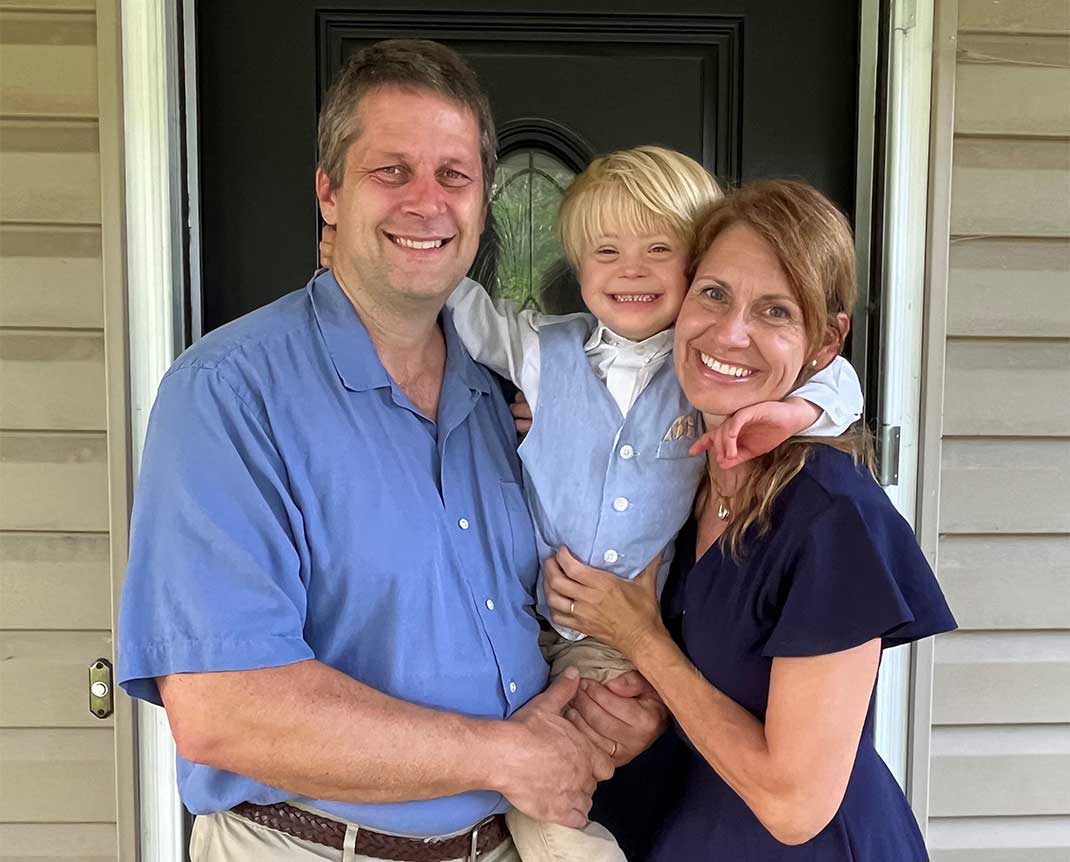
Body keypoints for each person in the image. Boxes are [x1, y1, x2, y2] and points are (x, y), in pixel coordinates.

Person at [117, 39, 667, 862]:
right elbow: (224, 707)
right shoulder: (230, 393)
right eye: (390, 171)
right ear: (329, 193)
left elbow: (543, 622)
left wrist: (617, 710)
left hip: (505, 843)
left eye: (454, 175)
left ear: (482, 203)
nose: (427, 203)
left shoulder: (505, 404)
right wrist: (502, 755)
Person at [321, 147, 864, 861]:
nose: (631, 269)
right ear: (579, 269)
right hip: (515, 622)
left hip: (612, 646)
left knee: (557, 788)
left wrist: (795, 412)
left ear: (691, 266)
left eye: (658, 251)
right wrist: (373, 253)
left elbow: (839, 380)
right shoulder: (547, 352)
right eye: (606, 251)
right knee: (493, 754)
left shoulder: (700, 364)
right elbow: (467, 309)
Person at [544, 179, 958, 861]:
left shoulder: (831, 518)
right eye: (713, 294)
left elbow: (794, 804)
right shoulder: (672, 474)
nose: (729, 334)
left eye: (774, 311)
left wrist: (643, 641)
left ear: (825, 341)